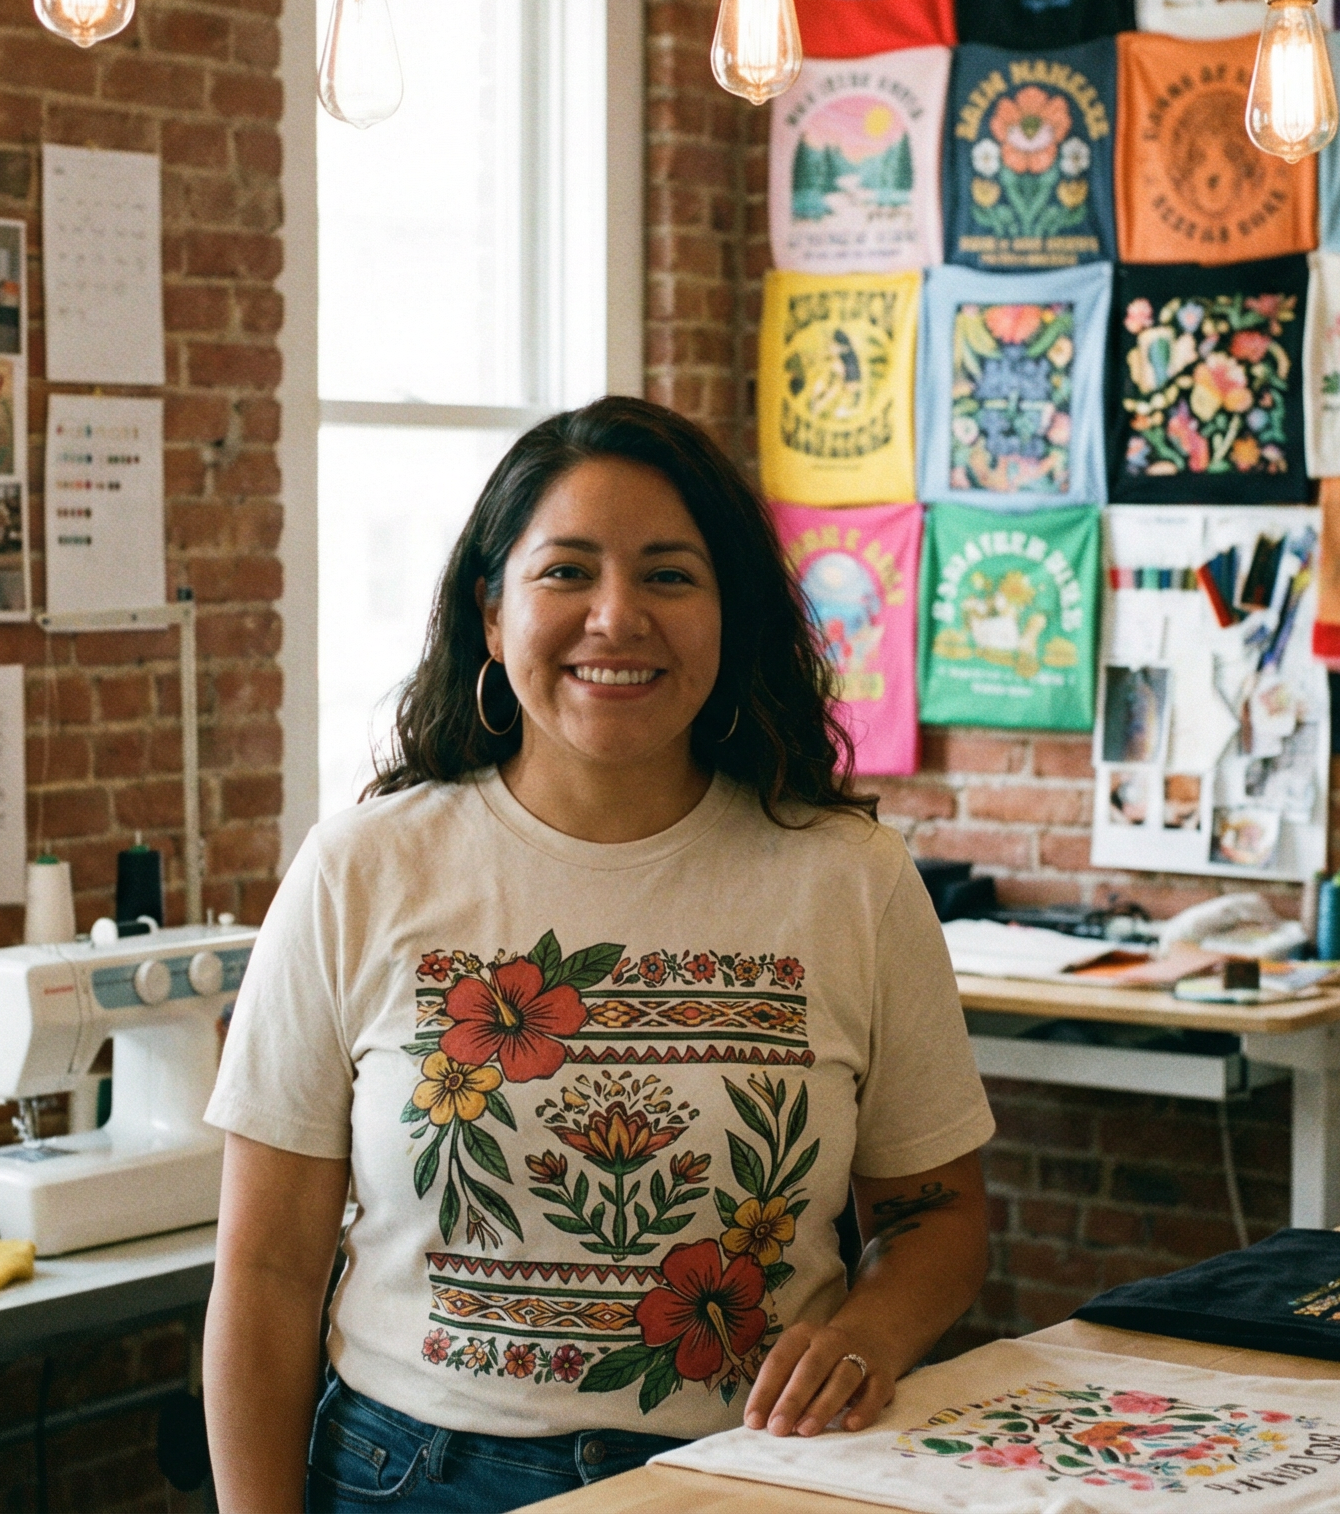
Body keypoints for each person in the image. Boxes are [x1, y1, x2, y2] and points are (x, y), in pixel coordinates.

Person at [204, 398, 994, 1513]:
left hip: (752, 1474)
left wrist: (865, 1332)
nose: (615, 617)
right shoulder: (360, 871)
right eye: (565, 572)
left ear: (731, 616)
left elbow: (938, 1216)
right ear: (490, 610)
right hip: (412, 1479)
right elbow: (267, 1270)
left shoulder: (848, 879)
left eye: (669, 576)